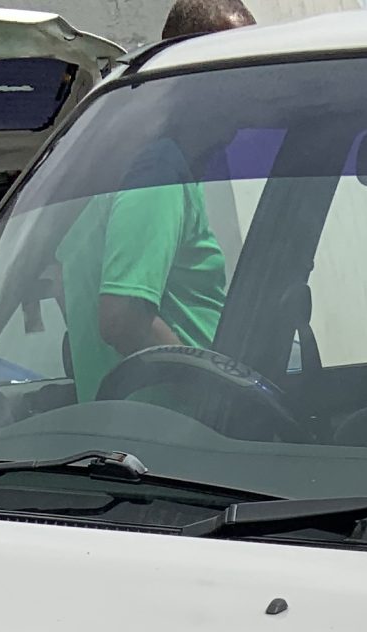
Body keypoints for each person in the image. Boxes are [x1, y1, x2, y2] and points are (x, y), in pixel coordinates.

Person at [58, 0, 253, 400]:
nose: (252, 84)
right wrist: (206, 391)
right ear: (190, 70)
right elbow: (122, 319)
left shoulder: (112, 168)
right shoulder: (158, 170)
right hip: (172, 424)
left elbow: (64, 289)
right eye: (237, 67)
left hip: (134, 422)